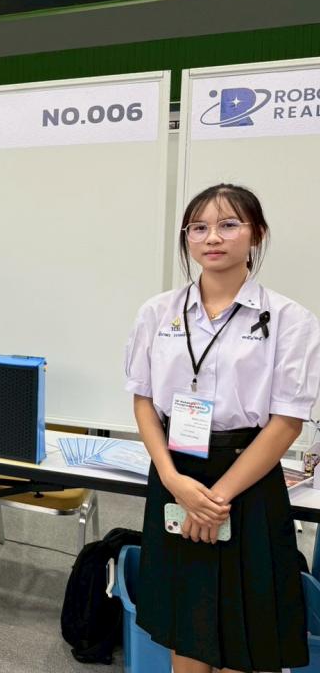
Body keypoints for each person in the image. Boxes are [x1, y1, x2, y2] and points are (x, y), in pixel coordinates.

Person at [124, 183, 320, 673]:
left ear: (257, 234)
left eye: (228, 225)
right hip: (176, 471)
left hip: (247, 478)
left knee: (246, 632)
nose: (212, 237)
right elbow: (144, 401)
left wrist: (214, 502)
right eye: (199, 228)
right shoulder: (158, 312)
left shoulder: (290, 319)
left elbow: (286, 422)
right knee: (184, 622)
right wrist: (173, 481)